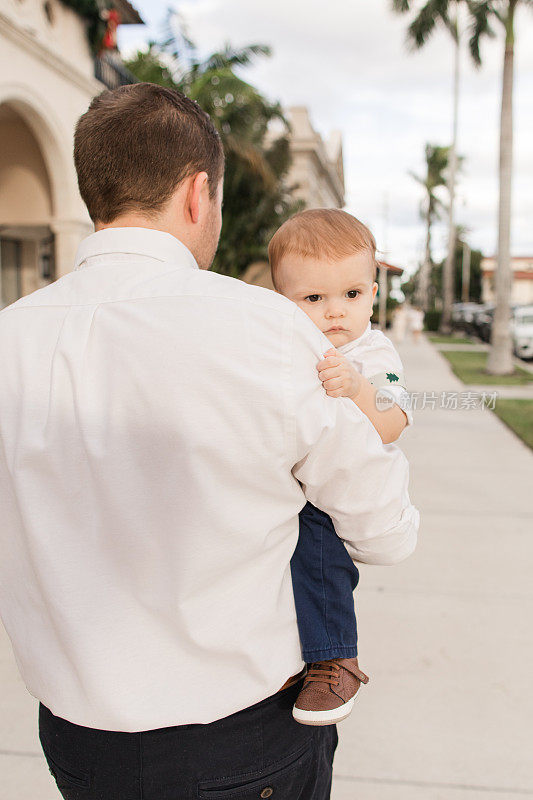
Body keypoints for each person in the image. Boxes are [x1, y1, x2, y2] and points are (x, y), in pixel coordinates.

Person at [0, 83, 419, 800]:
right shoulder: (261, 327)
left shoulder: (10, 336)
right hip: (239, 741)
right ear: (199, 193)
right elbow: (384, 532)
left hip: (76, 741)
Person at [268, 209, 413, 725]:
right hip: (300, 480)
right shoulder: (287, 347)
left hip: (349, 492)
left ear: (373, 293)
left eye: (351, 295)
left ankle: (335, 654)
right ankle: (289, 651)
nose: (336, 312)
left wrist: (356, 385)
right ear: (282, 301)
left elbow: (393, 421)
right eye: (314, 298)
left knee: (317, 552)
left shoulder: (374, 352)